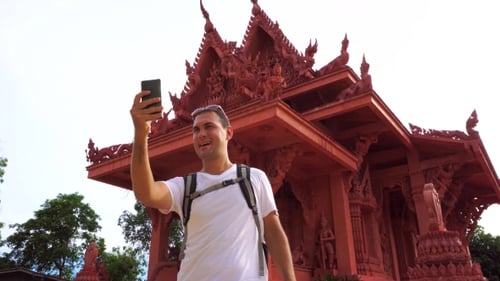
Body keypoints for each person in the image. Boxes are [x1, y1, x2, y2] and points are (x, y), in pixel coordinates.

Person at [129, 90, 296, 281]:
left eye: (209, 126)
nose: (201, 134)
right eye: (196, 130)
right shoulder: (185, 186)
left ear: (228, 133)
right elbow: (146, 193)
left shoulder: (254, 179)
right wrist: (141, 135)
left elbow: (274, 234)